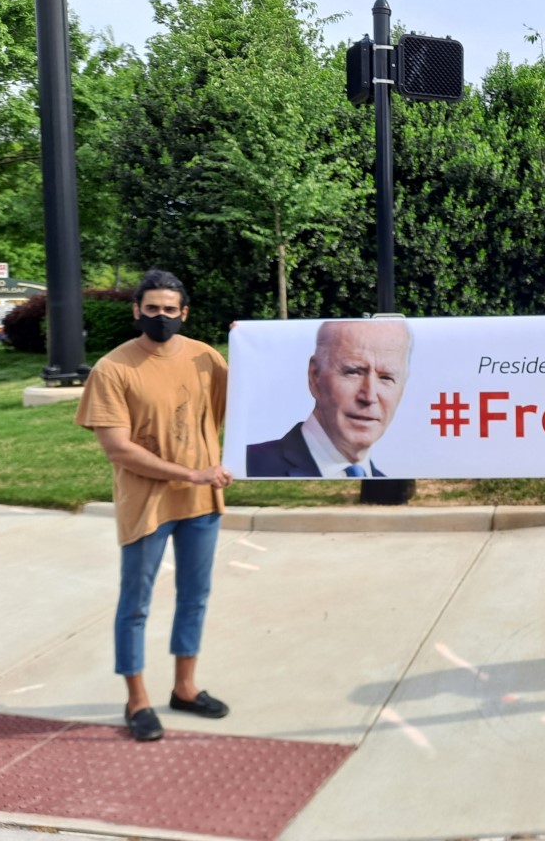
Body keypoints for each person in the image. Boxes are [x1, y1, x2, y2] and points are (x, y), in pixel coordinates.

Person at [75, 269, 233, 741]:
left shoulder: (206, 358)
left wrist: (251, 347)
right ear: (137, 311)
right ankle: (137, 700)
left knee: (195, 596)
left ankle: (185, 688)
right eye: (151, 309)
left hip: (201, 502)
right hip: (147, 505)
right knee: (136, 604)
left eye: (169, 309)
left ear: (184, 313)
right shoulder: (113, 369)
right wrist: (190, 472)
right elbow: (118, 448)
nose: (160, 317)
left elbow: (246, 405)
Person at [246, 318, 411, 478]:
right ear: (315, 376)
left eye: (386, 378)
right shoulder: (249, 465)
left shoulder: (385, 481)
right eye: (353, 372)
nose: (369, 397)